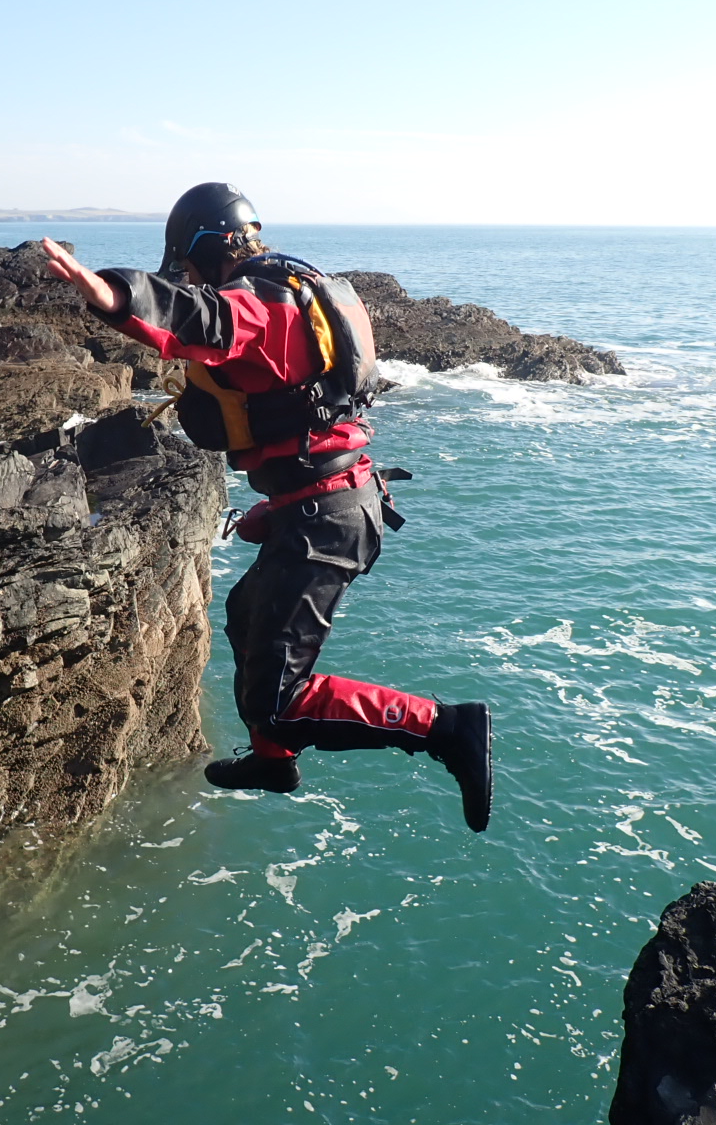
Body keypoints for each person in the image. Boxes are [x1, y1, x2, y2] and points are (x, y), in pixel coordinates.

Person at [43, 183, 492, 832]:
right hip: (322, 502)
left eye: (189, 266)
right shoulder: (290, 290)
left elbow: (197, 318)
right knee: (245, 612)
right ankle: (271, 760)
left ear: (206, 248)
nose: (191, 278)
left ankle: (448, 729)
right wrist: (275, 509)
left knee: (280, 700)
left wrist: (114, 296)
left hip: (328, 517)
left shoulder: (260, 305)